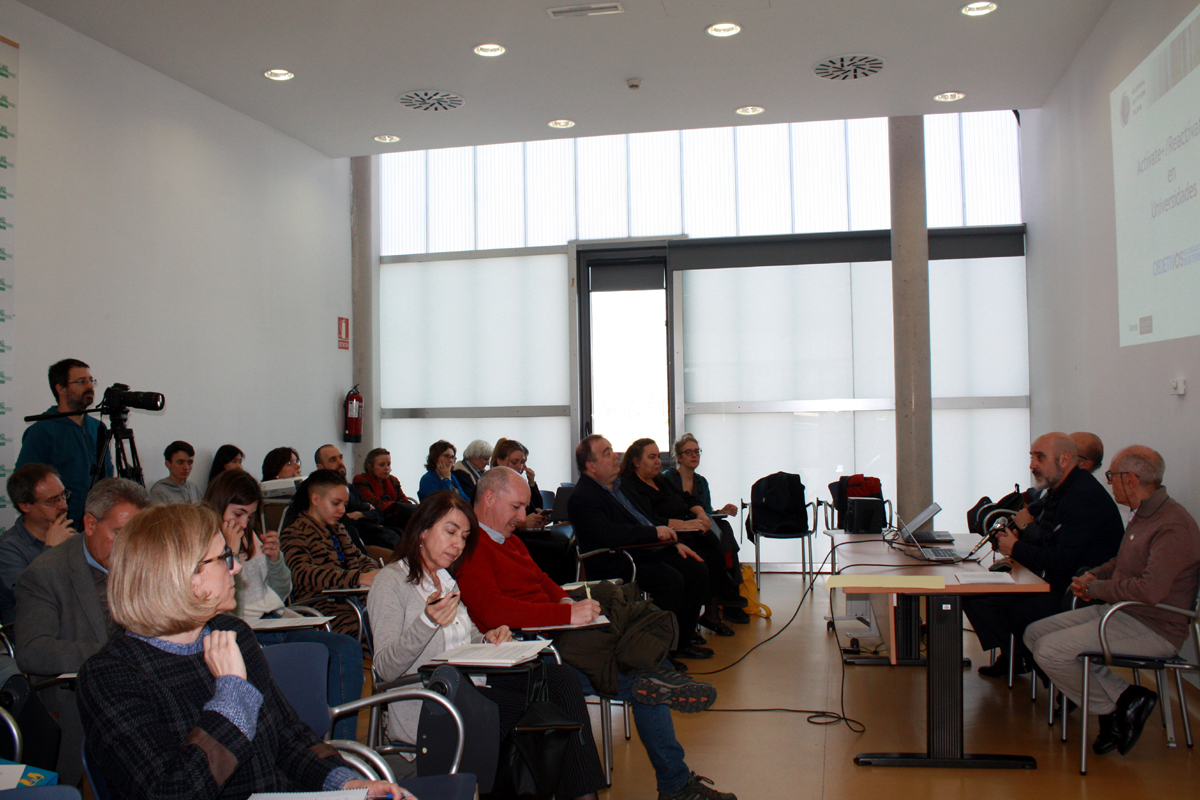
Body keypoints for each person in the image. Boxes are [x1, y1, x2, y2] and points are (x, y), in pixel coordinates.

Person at [75, 503, 405, 800]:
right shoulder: (110, 676)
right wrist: (231, 693)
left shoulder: (232, 633)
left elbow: (287, 735)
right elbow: (171, 791)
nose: (235, 568)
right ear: (183, 576)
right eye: (223, 558)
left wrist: (343, 785)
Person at [457, 468, 734, 800]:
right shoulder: (470, 547)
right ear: (488, 498)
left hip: (556, 633)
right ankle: (674, 781)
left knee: (642, 663)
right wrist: (566, 613)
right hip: (530, 649)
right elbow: (492, 612)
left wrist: (564, 601)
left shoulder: (508, 540)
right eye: (516, 507)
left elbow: (542, 580)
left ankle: (673, 761)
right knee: (643, 679)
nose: (522, 517)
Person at [366, 491, 605, 799]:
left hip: (470, 688)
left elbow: (464, 638)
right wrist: (425, 622)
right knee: (538, 712)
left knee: (562, 680)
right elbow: (385, 669)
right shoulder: (391, 582)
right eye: (450, 532)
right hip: (431, 700)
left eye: (464, 537)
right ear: (422, 530)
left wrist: (488, 637)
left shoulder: (445, 579)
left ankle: (583, 795)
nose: (458, 545)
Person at [1024, 446, 1200, 758]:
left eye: (1112, 477)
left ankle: (1114, 708)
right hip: (1123, 613)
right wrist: (1093, 575)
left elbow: (1150, 591)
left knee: (1049, 651)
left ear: (1130, 479)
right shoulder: (1144, 514)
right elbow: (1122, 561)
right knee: (1034, 634)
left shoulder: (1172, 525)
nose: (1109, 483)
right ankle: (1125, 700)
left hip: (1155, 627)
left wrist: (1098, 589)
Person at [203, 470, 365, 740]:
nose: (244, 522)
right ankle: (300, 742)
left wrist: (276, 561)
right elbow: (228, 614)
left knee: (344, 648)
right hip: (249, 631)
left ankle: (341, 744)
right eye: (238, 513)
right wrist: (228, 555)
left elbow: (281, 591)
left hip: (278, 619)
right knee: (307, 659)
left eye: (250, 515)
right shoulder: (207, 546)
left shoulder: (248, 536)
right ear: (219, 506)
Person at [14, 478, 150, 785]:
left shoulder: (144, 561)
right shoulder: (45, 575)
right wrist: (117, 656)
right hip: (79, 701)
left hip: (142, 696)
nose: (130, 545)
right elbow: (33, 650)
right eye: (119, 533)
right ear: (90, 524)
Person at [964, 431, 1124, 679]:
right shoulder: (1059, 490)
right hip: (1052, 579)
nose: (1032, 465)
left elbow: (1062, 559)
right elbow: (1045, 537)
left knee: (1017, 613)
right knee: (976, 597)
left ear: (1064, 460)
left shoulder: (1083, 496)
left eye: (1039, 457)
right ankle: (1017, 658)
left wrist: (1016, 547)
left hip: (1077, 591)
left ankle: (1062, 683)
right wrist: (1017, 533)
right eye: (1031, 457)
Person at [567, 435, 712, 662]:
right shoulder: (582, 496)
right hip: (617, 558)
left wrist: (674, 542)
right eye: (607, 453)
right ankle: (658, 653)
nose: (615, 455)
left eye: (612, 449)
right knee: (671, 581)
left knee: (697, 570)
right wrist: (654, 533)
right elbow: (608, 534)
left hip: (645, 549)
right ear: (591, 466)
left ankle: (681, 642)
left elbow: (647, 518)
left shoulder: (622, 486)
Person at [619, 439, 742, 639]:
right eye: (652, 457)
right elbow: (649, 520)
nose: (658, 461)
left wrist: (701, 515)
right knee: (699, 565)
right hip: (668, 537)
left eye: (659, 456)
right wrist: (685, 525)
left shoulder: (661, 480)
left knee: (716, 550)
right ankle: (687, 628)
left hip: (689, 529)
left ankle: (711, 613)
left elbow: (688, 499)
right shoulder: (631, 486)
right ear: (635, 461)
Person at [280, 470, 380, 642]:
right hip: (321, 606)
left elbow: (361, 559)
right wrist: (359, 578)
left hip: (351, 601)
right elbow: (302, 574)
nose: (342, 510)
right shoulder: (295, 533)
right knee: (372, 630)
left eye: (345, 504)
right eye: (336, 503)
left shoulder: (339, 530)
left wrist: (372, 574)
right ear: (316, 499)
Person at [663, 433, 748, 625]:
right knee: (723, 534)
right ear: (680, 457)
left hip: (700, 526)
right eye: (689, 452)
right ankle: (728, 591)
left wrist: (722, 511)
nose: (694, 456)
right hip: (681, 528)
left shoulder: (701, 481)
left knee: (724, 527)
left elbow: (706, 512)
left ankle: (727, 589)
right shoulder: (667, 479)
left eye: (697, 452)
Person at [16, 359, 112, 525]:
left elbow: (107, 476)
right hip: (58, 528)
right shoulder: (42, 431)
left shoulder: (98, 428)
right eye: (81, 382)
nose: (89, 387)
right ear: (60, 388)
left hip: (95, 523)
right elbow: (24, 485)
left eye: (90, 381)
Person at [0, 465, 76, 624]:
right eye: (52, 501)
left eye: (63, 496)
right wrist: (51, 551)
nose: (63, 505)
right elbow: (28, 597)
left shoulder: (72, 537)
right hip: (35, 633)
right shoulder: (8, 548)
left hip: (72, 626)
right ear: (25, 506)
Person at [315, 444, 401, 550]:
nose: (340, 463)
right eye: (333, 460)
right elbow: (343, 520)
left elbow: (378, 514)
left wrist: (360, 514)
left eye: (341, 458)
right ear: (320, 467)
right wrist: (366, 508)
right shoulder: (321, 493)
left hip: (376, 533)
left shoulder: (350, 488)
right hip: (357, 543)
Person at [353, 447, 418, 531]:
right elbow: (375, 505)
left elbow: (405, 502)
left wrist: (398, 506)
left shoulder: (393, 480)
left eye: (388, 464)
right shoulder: (361, 480)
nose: (387, 468)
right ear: (370, 466)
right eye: (381, 465)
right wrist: (396, 505)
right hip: (375, 523)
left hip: (395, 520)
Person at [491, 438, 548, 528]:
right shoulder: (491, 486)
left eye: (522, 463)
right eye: (514, 462)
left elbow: (535, 508)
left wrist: (532, 484)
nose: (519, 467)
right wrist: (523, 524)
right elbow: (493, 522)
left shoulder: (517, 485)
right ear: (499, 461)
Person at [149, 440, 203, 505]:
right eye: (180, 462)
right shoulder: (160, 491)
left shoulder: (193, 487)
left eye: (190, 462)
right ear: (168, 464)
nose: (186, 467)